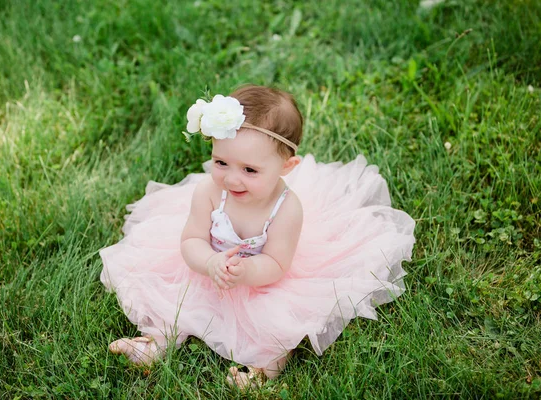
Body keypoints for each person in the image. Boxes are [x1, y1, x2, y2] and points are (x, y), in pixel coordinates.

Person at [100, 85, 415, 388]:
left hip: (263, 279)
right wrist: (209, 262)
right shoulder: (209, 192)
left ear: (286, 166)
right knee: (171, 299)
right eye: (221, 162)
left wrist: (248, 272)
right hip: (208, 268)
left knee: (278, 325)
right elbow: (191, 240)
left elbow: (277, 262)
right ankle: (154, 343)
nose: (232, 178)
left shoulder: (287, 209)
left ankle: (262, 372)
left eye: (249, 170)